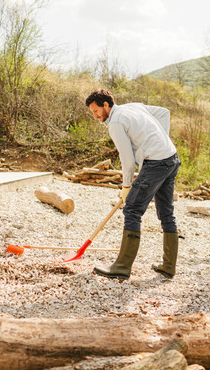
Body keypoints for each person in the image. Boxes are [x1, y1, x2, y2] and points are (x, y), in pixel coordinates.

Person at [84, 89, 181, 280]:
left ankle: (121, 267)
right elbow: (164, 113)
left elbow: (126, 159)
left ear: (106, 105)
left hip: (157, 162)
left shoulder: (116, 123)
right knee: (166, 213)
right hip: (171, 157)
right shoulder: (133, 107)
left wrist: (126, 187)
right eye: (92, 113)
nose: (95, 116)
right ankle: (169, 267)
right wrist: (162, 141)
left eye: (96, 111)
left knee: (132, 210)